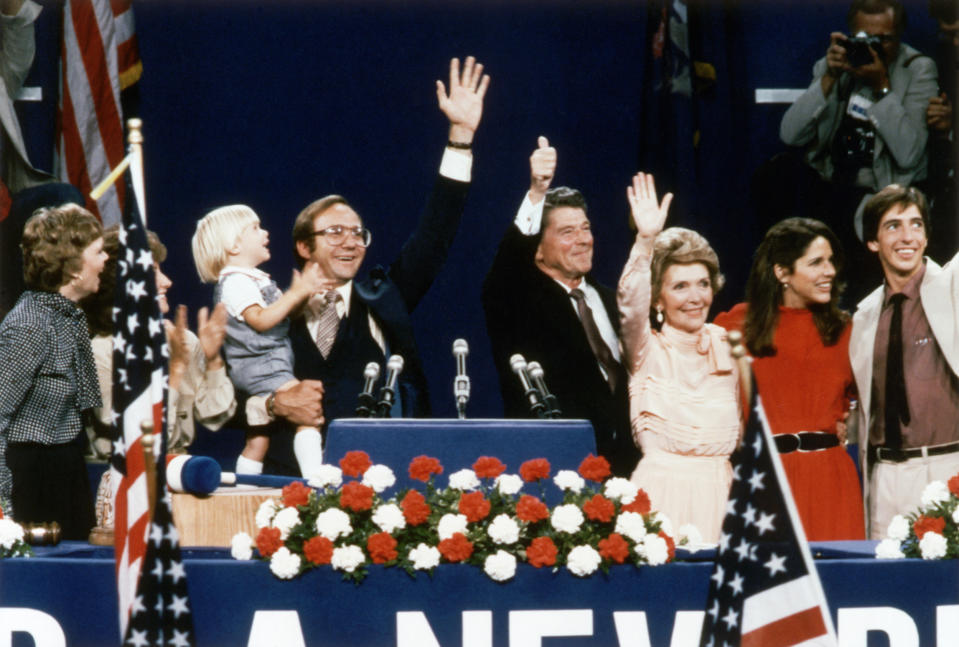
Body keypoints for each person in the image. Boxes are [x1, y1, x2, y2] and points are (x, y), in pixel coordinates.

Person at [244, 56, 489, 477]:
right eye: (335, 232)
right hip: (288, 483)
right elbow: (221, 399)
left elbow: (433, 237)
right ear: (304, 245)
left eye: (358, 233)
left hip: (379, 481)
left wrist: (461, 138)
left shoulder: (383, 296)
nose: (351, 242)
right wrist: (272, 403)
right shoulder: (263, 307)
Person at [482, 137, 633, 476]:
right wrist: (537, 191)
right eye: (567, 232)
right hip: (553, 470)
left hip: (626, 469)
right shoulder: (517, 301)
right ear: (538, 249)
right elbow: (508, 265)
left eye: (586, 228)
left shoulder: (613, 301)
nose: (583, 239)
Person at [714, 218, 865, 541]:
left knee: (839, 585)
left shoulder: (846, 331)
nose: (830, 272)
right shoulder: (734, 326)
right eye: (816, 263)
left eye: (830, 262)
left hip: (831, 481)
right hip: (764, 479)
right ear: (782, 272)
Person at [779, 0, 938, 303]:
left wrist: (881, 87)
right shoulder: (835, 66)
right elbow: (790, 134)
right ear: (852, 36)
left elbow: (909, 154)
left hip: (881, 197)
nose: (875, 47)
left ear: (900, 35)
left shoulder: (917, 69)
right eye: (866, 38)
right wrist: (828, 79)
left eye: (885, 39)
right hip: (831, 189)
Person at [618, 173, 740, 543]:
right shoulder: (646, 349)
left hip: (722, 491)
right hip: (662, 493)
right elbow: (630, 306)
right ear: (658, 298)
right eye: (680, 286)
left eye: (703, 283)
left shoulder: (729, 346)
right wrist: (645, 239)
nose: (695, 297)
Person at [849, 184, 959, 538]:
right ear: (872, 242)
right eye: (893, 225)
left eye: (916, 225)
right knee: (886, 587)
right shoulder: (863, 317)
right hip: (884, 478)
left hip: (946, 466)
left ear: (927, 238)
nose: (907, 236)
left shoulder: (951, 288)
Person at [192, 205, 325, 477]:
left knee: (259, 437)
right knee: (308, 414)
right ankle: (316, 479)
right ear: (233, 244)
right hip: (265, 365)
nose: (264, 233)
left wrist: (302, 298)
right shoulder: (236, 282)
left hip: (261, 364)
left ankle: (246, 484)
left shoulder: (252, 279)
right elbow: (261, 320)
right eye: (255, 228)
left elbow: (282, 316)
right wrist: (295, 292)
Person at [81, 226, 236, 457]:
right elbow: (139, 441)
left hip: (178, 468)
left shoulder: (181, 339)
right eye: (153, 271)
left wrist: (213, 361)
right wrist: (176, 370)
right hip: (127, 478)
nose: (167, 281)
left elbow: (214, 415)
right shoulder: (100, 353)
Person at [0, 204, 106, 538]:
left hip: (66, 466)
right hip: (29, 479)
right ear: (74, 268)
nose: (106, 260)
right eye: (99, 252)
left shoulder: (69, 317)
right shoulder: (30, 324)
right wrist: (4, 507)